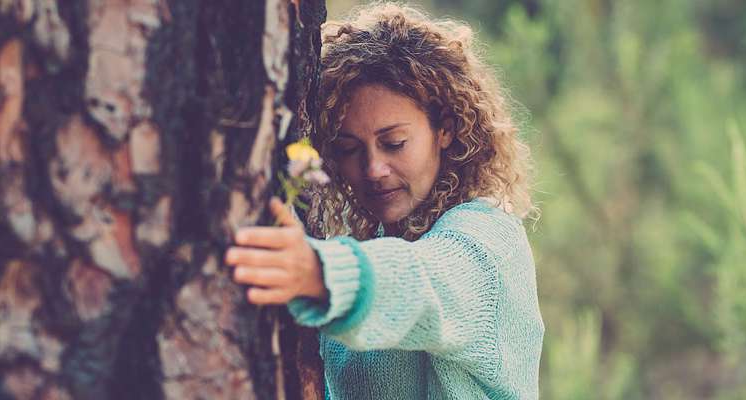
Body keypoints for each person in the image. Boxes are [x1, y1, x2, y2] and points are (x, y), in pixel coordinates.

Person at [224, 3, 544, 399]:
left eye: (394, 143)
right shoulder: (371, 247)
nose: (373, 168)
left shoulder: (488, 245)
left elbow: (423, 283)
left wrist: (319, 272)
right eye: (348, 148)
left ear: (444, 128)